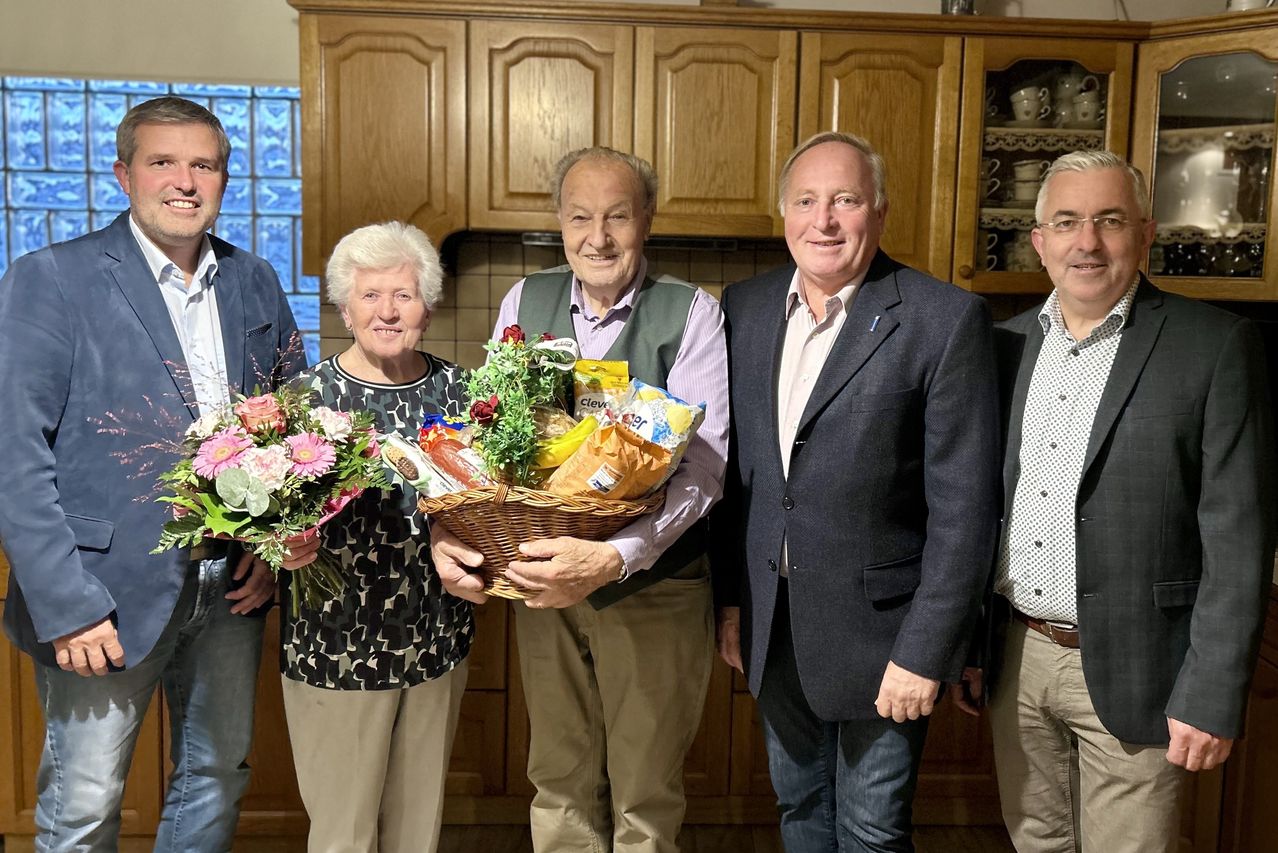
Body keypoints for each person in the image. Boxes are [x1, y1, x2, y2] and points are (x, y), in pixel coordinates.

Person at [950, 150, 1276, 853]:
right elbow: (981, 511)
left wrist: (1212, 690)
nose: (1086, 242)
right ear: (1039, 242)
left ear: (1145, 233)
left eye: (1108, 220)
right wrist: (971, 645)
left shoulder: (1214, 347)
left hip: (1146, 665)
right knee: (1036, 840)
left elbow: (1239, 539)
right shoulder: (1001, 349)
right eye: (1066, 222)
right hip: (1018, 654)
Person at [0, 96, 304, 851]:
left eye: (203, 164)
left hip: (228, 588)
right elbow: (15, 450)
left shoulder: (255, 281)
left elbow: (294, 427)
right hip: (100, 594)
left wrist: (271, 549)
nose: (184, 181)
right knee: (84, 804)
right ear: (123, 174)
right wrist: (65, 604)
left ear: (223, 179)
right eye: (163, 162)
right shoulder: (51, 278)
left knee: (216, 775)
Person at [432, 146, 729, 853]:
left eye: (618, 217)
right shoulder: (522, 303)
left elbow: (705, 471)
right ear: (559, 224)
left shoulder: (690, 313)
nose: (598, 237)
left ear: (646, 222)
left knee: (646, 793)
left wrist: (615, 557)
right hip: (541, 582)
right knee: (558, 779)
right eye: (581, 217)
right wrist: (471, 534)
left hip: (653, 587)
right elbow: (490, 438)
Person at [711, 131, 1000, 852]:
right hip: (774, 627)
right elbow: (733, 472)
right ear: (783, 214)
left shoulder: (941, 319)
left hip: (886, 638)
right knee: (800, 812)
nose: (825, 221)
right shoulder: (741, 309)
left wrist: (926, 651)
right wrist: (731, 600)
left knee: (872, 831)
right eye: (807, 201)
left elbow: (964, 511)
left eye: (846, 200)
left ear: (880, 211)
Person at [279, 221, 473, 853]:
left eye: (404, 295)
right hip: (335, 643)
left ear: (429, 306)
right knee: (343, 832)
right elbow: (267, 521)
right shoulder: (304, 401)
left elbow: (485, 506)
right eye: (370, 296)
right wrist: (285, 544)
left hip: (435, 638)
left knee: (418, 829)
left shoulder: (462, 394)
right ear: (343, 307)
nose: (387, 312)